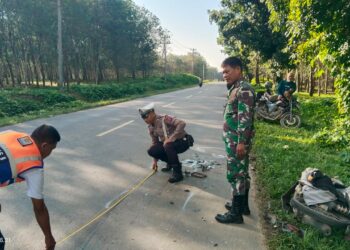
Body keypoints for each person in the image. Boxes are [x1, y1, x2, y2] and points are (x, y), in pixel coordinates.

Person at [0, 124, 60, 250]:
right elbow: (40, 209)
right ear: (44, 146)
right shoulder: (33, 165)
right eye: (52, 149)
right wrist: (49, 237)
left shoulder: (12, 134)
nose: (50, 153)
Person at [215, 57, 255, 224]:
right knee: (242, 173)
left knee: (236, 174)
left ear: (238, 69)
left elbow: (245, 120)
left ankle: (235, 214)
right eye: (223, 72)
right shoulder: (235, 88)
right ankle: (242, 206)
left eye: (227, 71)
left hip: (237, 142)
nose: (224, 75)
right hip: (234, 140)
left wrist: (240, 143)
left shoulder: (243, 90)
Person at [139, 103, 191, 183]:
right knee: (152, 150)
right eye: (143, 118)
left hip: (183, 142)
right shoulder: (150, 127)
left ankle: (178, 173)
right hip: (169, 145)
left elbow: (182, 123)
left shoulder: (164, 118)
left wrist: (171, 138)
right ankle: (171, 162)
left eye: (146, 116)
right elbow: (155, 142)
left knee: (167, 145)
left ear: (152, 113)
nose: (145, 120)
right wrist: (155, 161)